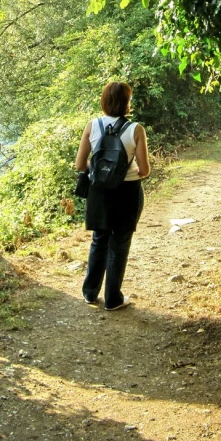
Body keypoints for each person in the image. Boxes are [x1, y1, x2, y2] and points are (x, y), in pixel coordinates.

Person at [75, 82, 150, 311]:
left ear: (104, 101)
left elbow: (80, 165)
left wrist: (101, 171)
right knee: (119, 243)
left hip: (98, 191)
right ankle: (113, 299)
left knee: (99, 240)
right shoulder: (136, 129)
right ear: (127, 103)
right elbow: (144, 170)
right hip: (127, 192)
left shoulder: (92, 125)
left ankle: (89, 293)